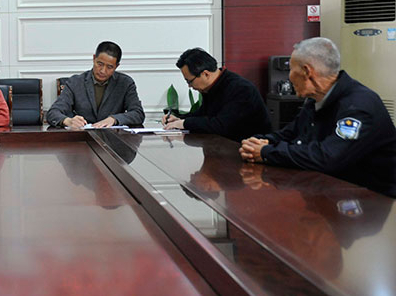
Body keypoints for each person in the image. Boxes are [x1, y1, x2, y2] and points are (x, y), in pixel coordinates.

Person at [239, 37, 396, 197]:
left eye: (291, 69)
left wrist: (266, 152)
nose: (289, 77)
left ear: (307, 71)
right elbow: (290, 134)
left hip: (371, 198)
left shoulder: (358, 106)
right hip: (329, 189)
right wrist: (258, 142)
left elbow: (327, 157)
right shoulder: (316, 99)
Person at [163, 48, 271, 141]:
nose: (189, 86)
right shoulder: (212, 87)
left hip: (246, 149)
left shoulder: (241, 89)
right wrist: (178, 119)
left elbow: (221, 126)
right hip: (223, 146)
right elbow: (202, 115)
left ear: (205, 74)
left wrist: (184, 123)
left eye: (190, 81)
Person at [46, 41, 145, 128]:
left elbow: (138, 113)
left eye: (109, 67)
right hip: (82, 138)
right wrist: (68, 121)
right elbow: (53, 113)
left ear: (116, 66)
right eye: (100, 64)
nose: (103, 71)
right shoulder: (75, 82)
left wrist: (114, 119)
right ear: (94, 58)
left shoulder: (125, 83)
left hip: (113, 138)